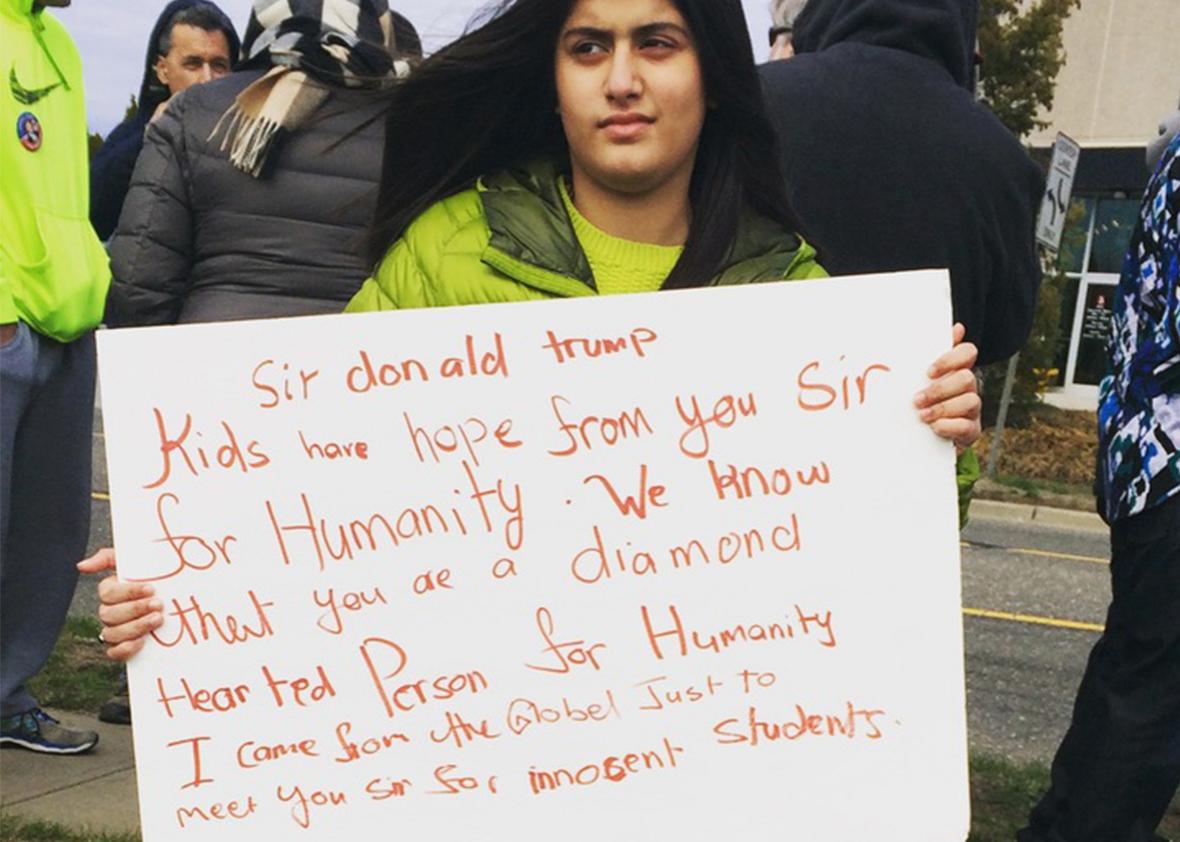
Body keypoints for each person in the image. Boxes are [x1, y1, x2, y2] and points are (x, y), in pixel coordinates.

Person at [84, 0, 984, 660]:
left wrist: (943, 432)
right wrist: (191, 560)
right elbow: (310, 493)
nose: (622, 78)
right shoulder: (445, 253)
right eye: (588, 46)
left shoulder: (795, 298)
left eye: (658, 43)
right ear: (552, 84)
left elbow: (874, 560)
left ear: (710, 77)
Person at [1018, 135, 1180, 842]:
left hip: (1151, 458)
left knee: (1134, 674)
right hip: (1168, 463)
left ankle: (1058, 827)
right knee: (1147, 699)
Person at [758, 0, 1043, 367]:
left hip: (729, 407)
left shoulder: (750, 103)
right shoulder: (1005, 161)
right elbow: (1005, 332)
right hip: (923, 409)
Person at [104, 0, 408, 327]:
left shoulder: (191, 112)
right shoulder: (410, 123)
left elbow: (140, 282)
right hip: (364, 363)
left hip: (216, 354)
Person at [0, 0, 109, 755]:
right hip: (10, 315)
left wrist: (88, 284)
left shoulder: (57, 38)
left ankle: (6, 697)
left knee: (48, 535)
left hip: (66, 315)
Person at [89, 1, 240, 242]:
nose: (207, 79)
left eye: (219, 65)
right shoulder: (132, 137)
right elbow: (94, 216)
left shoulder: (251, 144)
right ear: (162, 70)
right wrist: (152, 140)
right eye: (193, 64)